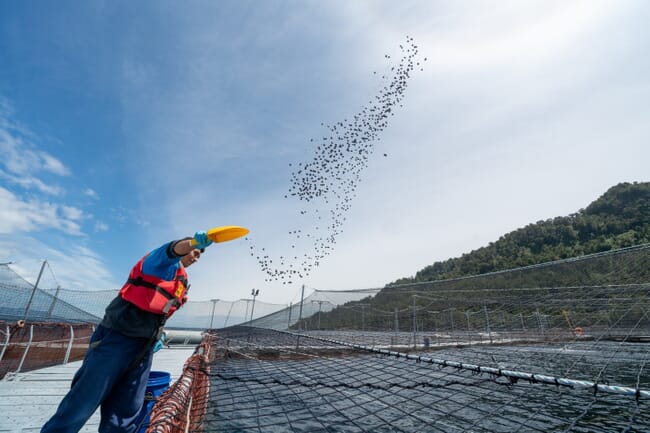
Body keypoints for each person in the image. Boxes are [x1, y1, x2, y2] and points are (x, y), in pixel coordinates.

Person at [41, 231, 213, 433]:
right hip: (116, 339)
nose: (195, 256)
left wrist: (160, 334)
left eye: (199, 254)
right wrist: (191, 242)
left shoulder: (181, 282)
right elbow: (172, 250)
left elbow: (158, 310)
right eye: (194, 251)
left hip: (144, 348)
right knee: (80, 404)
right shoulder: (159, 263)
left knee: (125, 413)